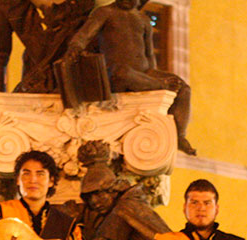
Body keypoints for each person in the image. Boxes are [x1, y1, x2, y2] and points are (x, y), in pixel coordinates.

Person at [64, 0, 195, 154]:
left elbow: (149, 54)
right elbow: (83, 36)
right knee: (123, 73)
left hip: (144, 72)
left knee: (183, 88)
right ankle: (161, 86)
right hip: (115, 72)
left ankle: (179, 135)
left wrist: (153, 74)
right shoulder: (105, 13)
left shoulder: (142, 19)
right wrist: (75, 48)